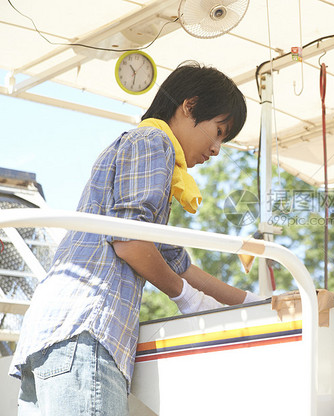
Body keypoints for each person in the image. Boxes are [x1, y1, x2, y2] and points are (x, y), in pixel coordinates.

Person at [10, 62, 262, 415]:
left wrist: (255, 302)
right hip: (87, 331)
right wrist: (186, 298)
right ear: (189, 106)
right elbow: (130, 243)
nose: (217, 148)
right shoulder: (153, 142)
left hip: (51, 335)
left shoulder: (147, 158)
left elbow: (179, 264)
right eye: (218, 131)